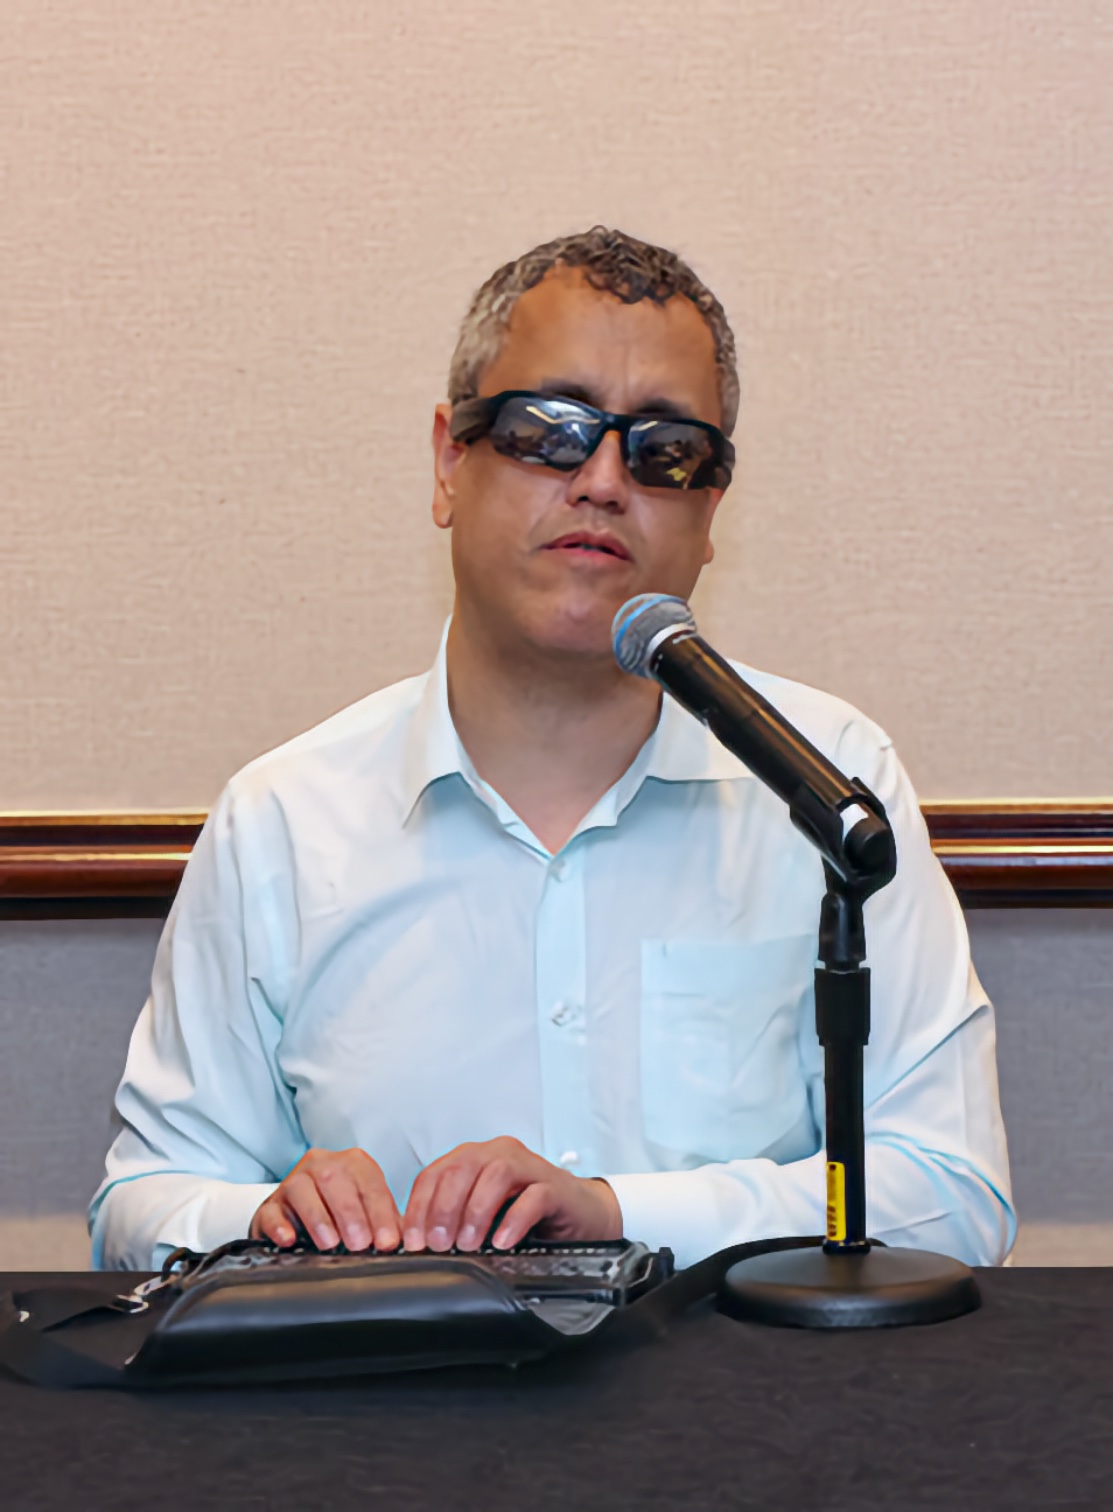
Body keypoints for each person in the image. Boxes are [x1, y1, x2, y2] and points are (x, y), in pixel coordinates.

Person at [91, 227, 1015, 1271]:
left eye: (667, 450)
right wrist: (262, 1221)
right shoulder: (286, 818)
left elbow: (953, 1197)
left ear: (711, 511)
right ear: (450, 461)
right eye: (551, 430)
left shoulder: (824, 785)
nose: (606, 482)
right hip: (399, 1423)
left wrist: (620, 1210)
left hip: (752, 1418)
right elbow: (140, 1202)